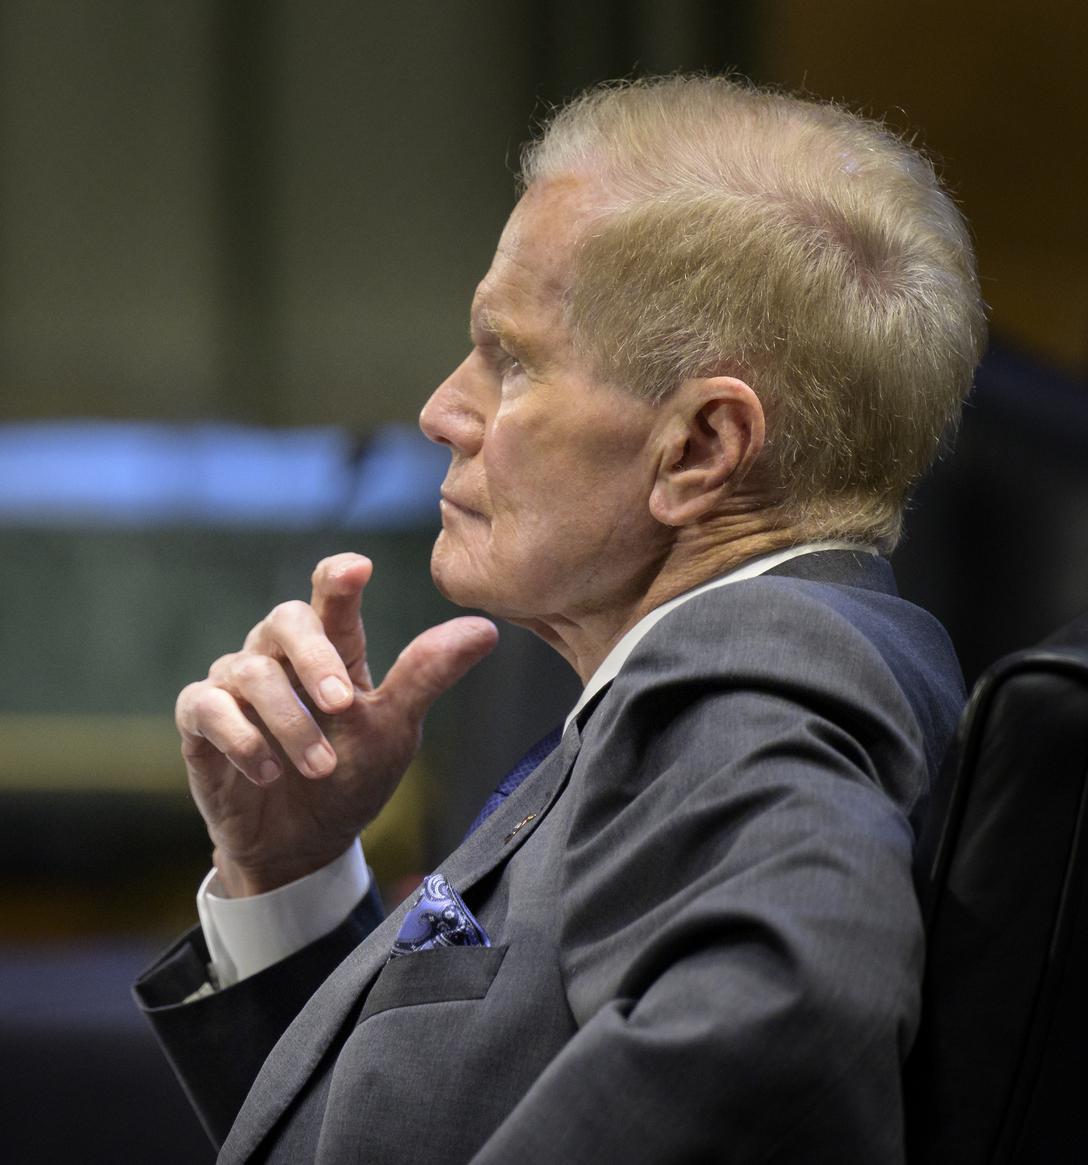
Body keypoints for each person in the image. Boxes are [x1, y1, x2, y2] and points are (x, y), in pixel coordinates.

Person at [135, 75, 985, 1163]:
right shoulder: (736, 682)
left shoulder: (753, 683)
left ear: (699, 447)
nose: (443, 409)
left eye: (511, 359)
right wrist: (288, 874)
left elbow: (784, 1029)